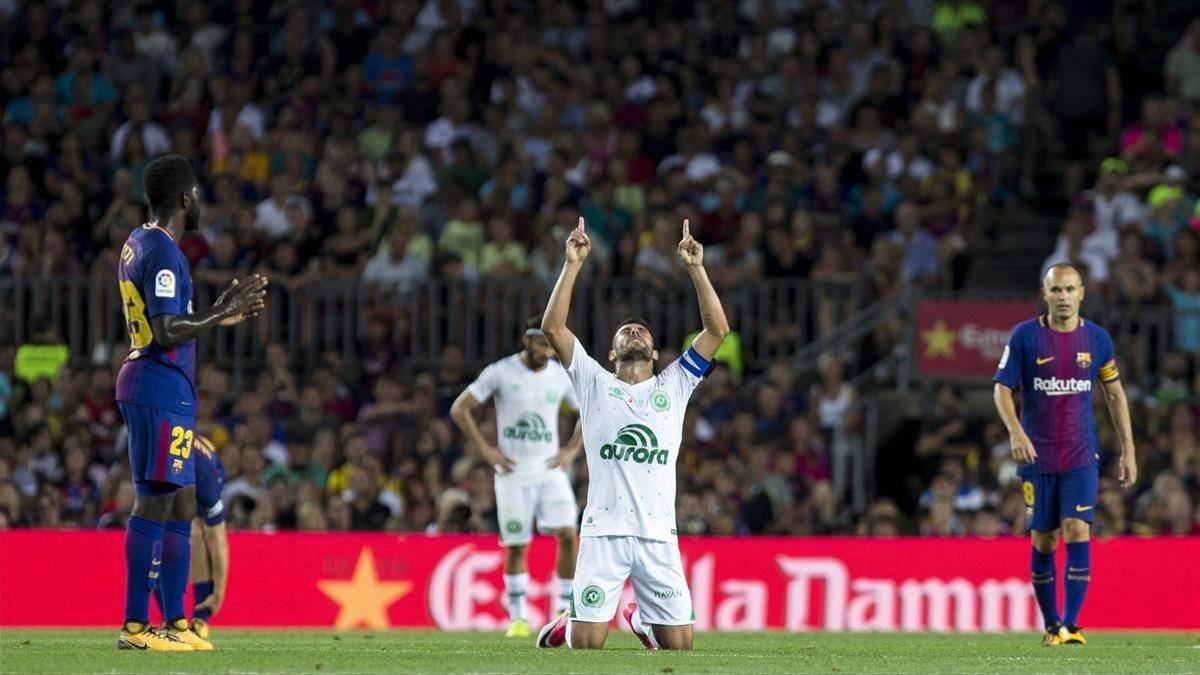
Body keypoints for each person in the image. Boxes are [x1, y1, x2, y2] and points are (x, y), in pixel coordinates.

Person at [536, 218, 730, 651]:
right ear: (611, 352)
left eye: (642, 330)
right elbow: (553, 328)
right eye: (626, 330)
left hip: (659, 533)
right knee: (586, 646)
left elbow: (717, 332)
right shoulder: (593, 381)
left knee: (680, 648)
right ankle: (570, 621)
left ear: (656, 352)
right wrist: (572, 264)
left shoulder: (674, 384)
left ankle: (643, 620)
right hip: (604, 531)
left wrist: (697, 269)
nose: (635, 331)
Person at [115, 155, 266, 651]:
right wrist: (221, 308)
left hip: (164, 385)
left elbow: (173, 321)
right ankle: (137, 626)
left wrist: (216, 316)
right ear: (185, 199)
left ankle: (177, 623)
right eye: (197, 193)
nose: (200, 201)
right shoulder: (164, 251)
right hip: (158, 384)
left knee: (181, 502)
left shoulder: (139, 242)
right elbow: (166, 330)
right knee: (155, 501)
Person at [992, 262, 1137, 646]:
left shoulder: (1098, 340)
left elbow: (1114, 394)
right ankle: (1051, 622)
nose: (1063, 297)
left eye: (1070, 290)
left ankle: (1070, 625)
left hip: (1079, 453)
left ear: (1082, 293)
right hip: (1035, 457)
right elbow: (1001, 389)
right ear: (1045, 294)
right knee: (1044, 540)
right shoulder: (1025, 336)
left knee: (1077, 530)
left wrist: (1129, 451)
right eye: (1056, 290)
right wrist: (1016, 432)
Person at [449, 319, 583, 638]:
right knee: (516, 545)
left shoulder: (559, 375)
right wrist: (486, 451)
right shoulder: (501, 372)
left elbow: (586, 412)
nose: (548, 352)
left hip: (550, 470)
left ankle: (561, 611)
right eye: (542, 344)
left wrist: (571, 450)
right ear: (526, 339)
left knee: (567, 533)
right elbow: (460, 408)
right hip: (512, 472)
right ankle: (518, 618)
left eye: (552, 345)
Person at [153, 434, 228, 641]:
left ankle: (201, 617)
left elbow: (218, 539)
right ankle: (171, 620)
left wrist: (219, 592)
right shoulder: (152, 462)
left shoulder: (204, 478)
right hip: (170, 476)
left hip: (207, 469)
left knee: (198, 532)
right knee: (158, 537)